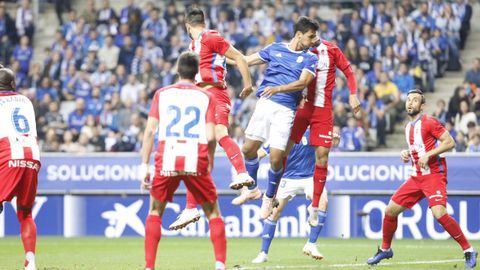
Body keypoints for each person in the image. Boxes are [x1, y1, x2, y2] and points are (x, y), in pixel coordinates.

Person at [366, 89, 477, 268]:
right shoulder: (408, 127)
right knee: (390, 211)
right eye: (408, 100)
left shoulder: (429, 122)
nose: (410, 103)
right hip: (417, 177)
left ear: (422, 106)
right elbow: (418, 149)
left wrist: (429, 156)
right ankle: (386, 249)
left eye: (415, 100)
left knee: (439, 214)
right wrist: (406, 154)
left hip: (434, 174)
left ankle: (468, 250)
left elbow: (450, 142)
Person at [168, 8, 255, 231]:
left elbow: (238, 57)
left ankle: (242, 173)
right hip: (199, 99)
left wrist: (248, 84)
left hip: (215, 93)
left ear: (188, 26)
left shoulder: (211, 37)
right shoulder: (194, 46)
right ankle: (190, 207)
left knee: (220, 134)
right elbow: (231, 60)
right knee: (199, 154)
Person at [139, 52, 227, 270]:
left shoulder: (162, 93)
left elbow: (150, 131)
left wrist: (144, 166)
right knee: (213, 213)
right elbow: (210, 136)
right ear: (197, 73)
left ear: (177, 71)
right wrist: (211, 158)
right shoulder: (206, 97)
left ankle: (149, 267)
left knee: (154, 212)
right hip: (195, 157)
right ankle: (220, 265)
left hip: (167, 155)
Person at [236, 16, 320, 219]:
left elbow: (302, 83)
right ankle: (253, 189)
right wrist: (223, 56)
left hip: (285, 109)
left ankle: (269, 197)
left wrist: (278, 88)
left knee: (275, 158)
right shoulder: (275, 48)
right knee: (247, 149)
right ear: (299, 35)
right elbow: (246, 60)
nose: (313, 40)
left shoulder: (310, 58)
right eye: (310, 36)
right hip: (264, 104)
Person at [251, 128, 337, 264]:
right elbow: (261, 153)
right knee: (274, 213)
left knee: (323, 200)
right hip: (286, 178)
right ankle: (263, 253)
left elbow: (328, 145)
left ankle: (311, 244)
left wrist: (335, 141)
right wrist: (246, 164)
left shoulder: (313, 131)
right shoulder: (282, 131)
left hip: (310, 177)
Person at [0, 65, 40, 270]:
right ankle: (30, 261)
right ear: (13, 84)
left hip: (7, 154)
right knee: (25, 213)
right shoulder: (26, 101)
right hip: (32, 156)